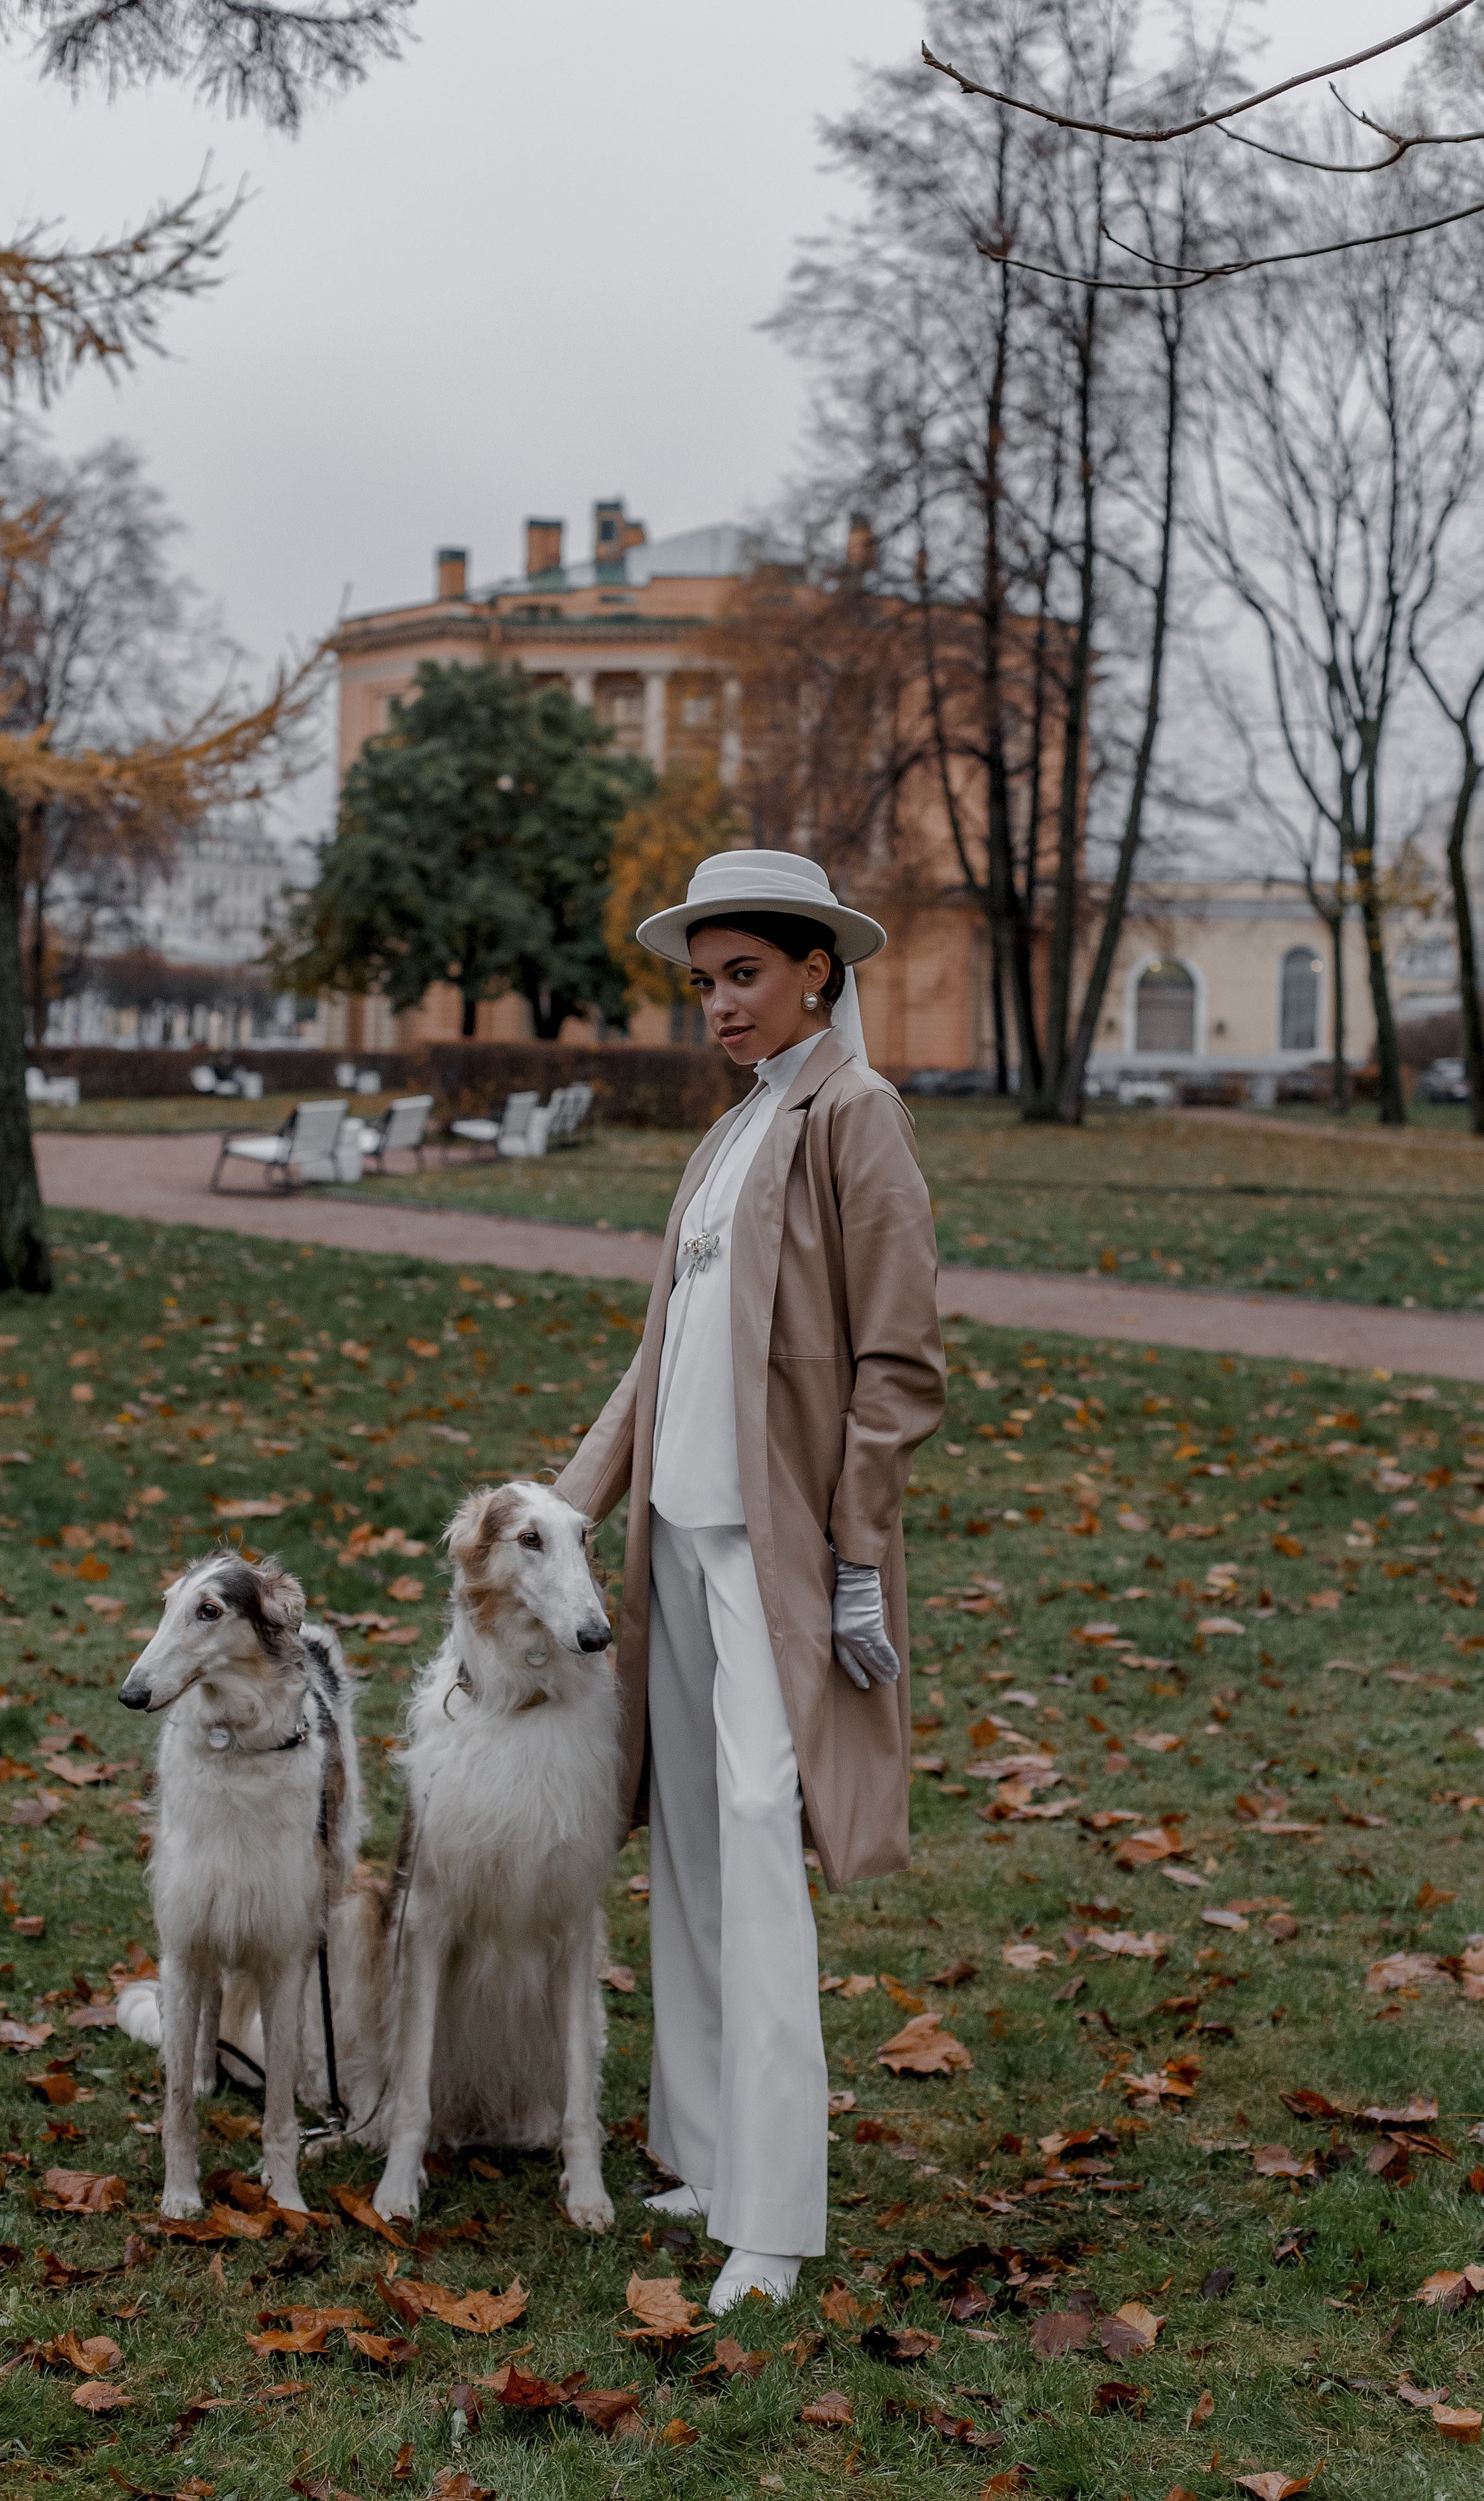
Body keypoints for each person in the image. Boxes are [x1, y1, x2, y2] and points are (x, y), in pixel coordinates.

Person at [555, 848, 945, 2312]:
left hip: (782, 1561)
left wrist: (856, 1558)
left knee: (757, 1858)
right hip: (678, 1544)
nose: (716, 1005)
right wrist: (572, 1501)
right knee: (695, 1863)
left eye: (742, 976)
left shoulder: (858, 1118)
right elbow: (660, 1355)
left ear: (814, 975)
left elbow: (897, 1367)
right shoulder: (721, 1142)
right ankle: (707, 2156)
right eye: (702, 981)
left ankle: (774, 2220)